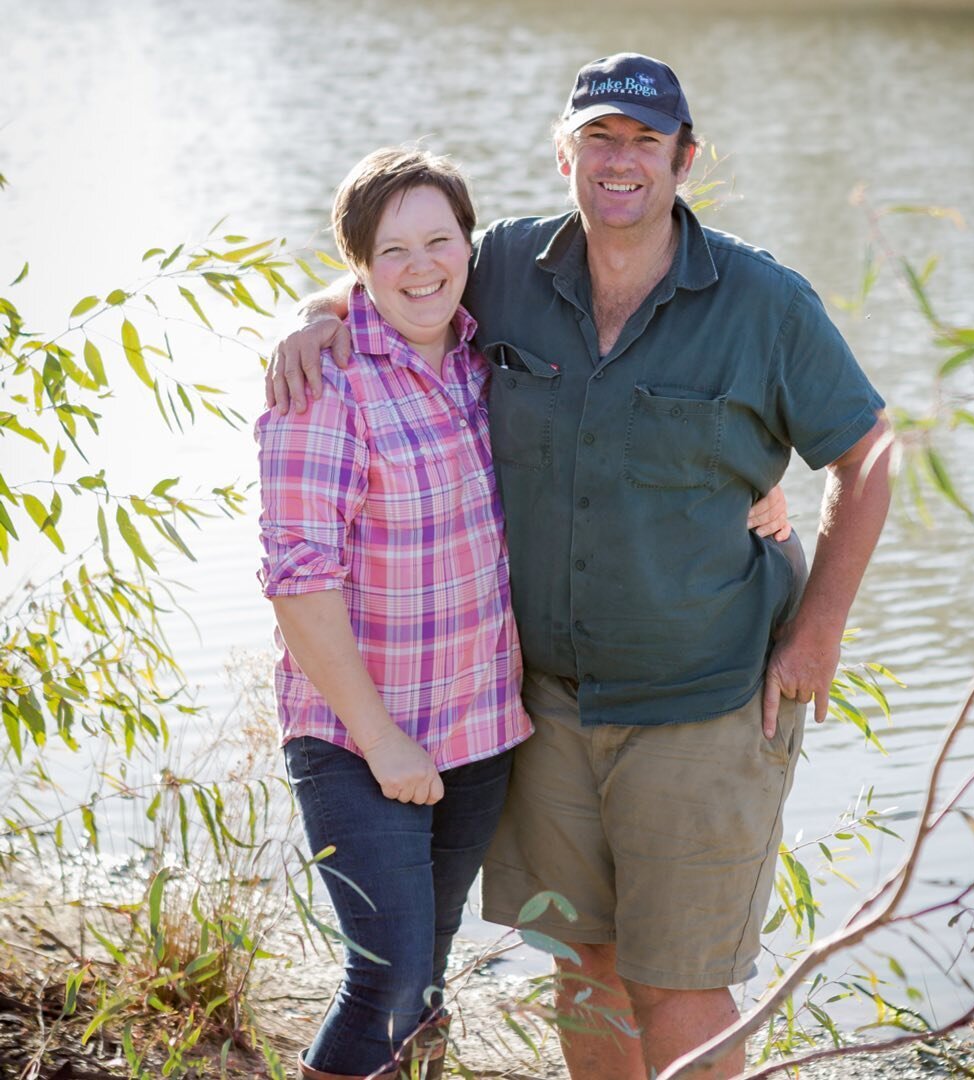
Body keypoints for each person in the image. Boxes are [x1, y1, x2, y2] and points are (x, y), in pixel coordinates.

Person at [266, 53, 890, 1080]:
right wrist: (310, 314)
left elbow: (869, 456)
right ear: (564, 153)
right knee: (585, 961)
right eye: (600, 136)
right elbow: (402, 270)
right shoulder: (508, 265)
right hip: (543, 713)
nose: (621, 160)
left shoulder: (763, 301)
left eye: (647, 140)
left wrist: (818, 631)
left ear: (686, 158)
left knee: (681, 978)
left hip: (703, 703)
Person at [256, 147, 534, 1080]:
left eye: (439, 241)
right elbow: (299, 582)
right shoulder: (321, 386)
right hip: (357, 737)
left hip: (477, 727)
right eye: (393, 251)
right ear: (360, 266)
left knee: (428, 976)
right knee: (388, 976)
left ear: (469, 245)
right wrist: (383, 744)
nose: (421, 268)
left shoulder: (480, 351)